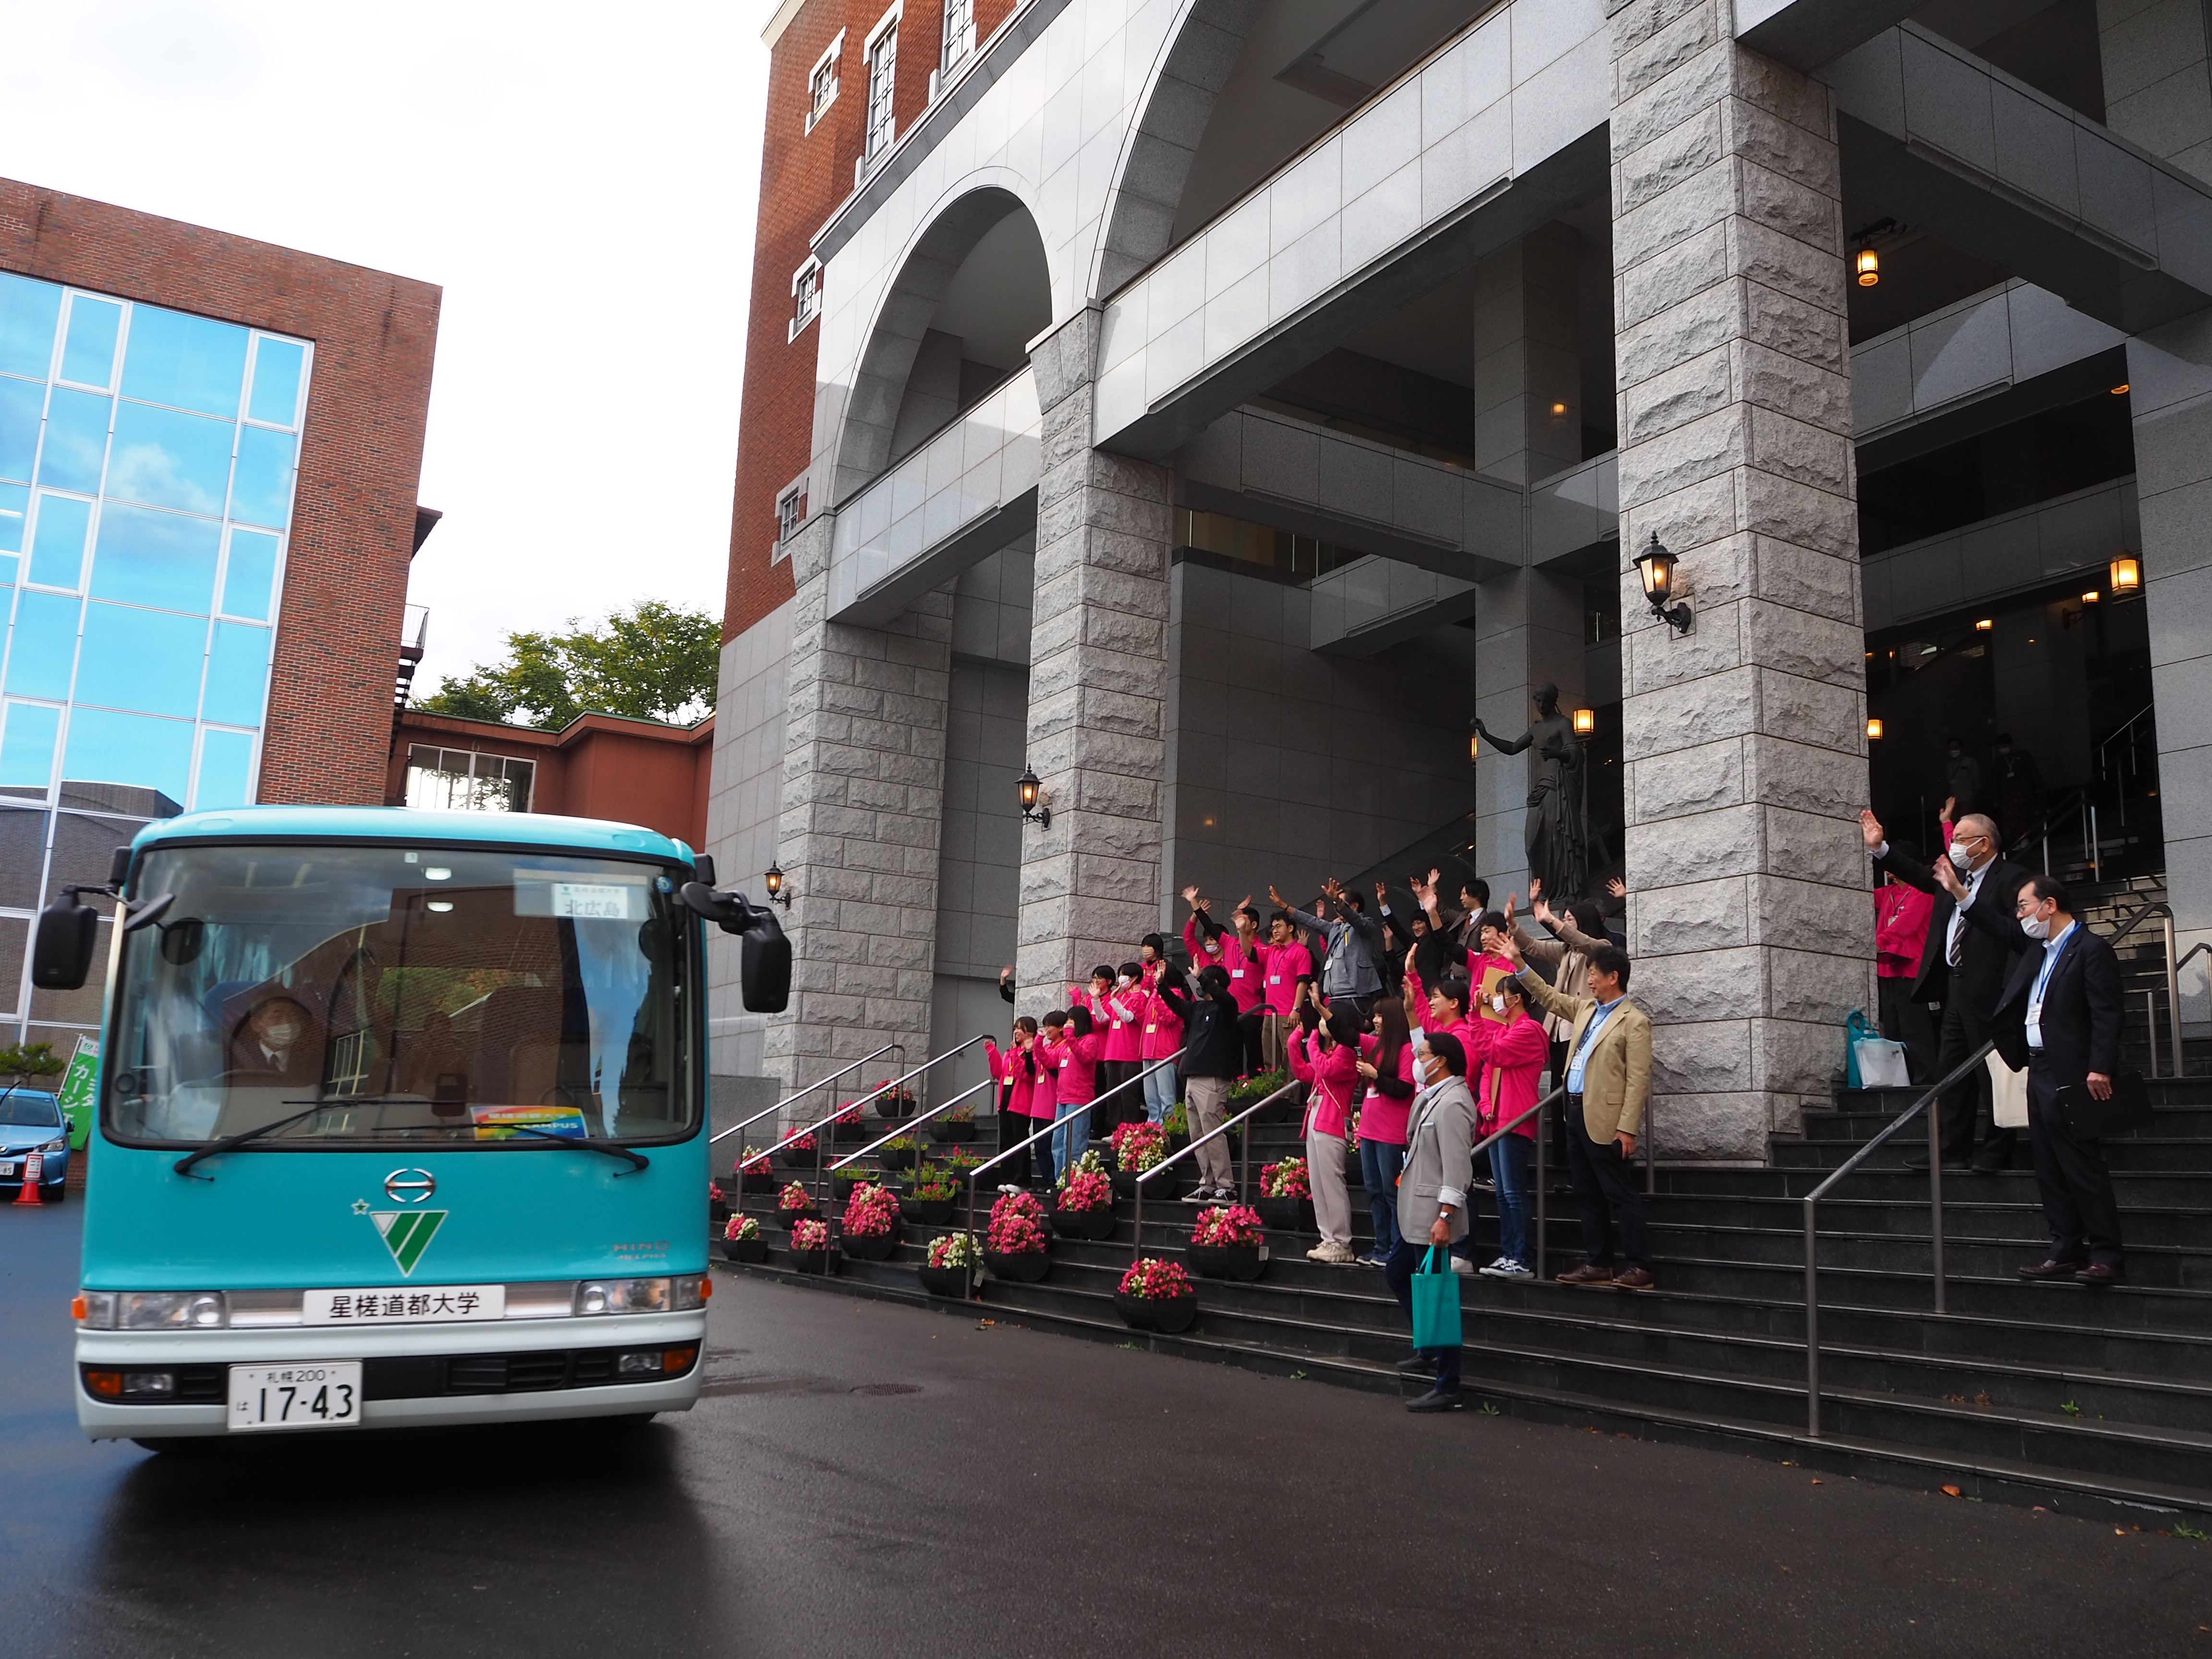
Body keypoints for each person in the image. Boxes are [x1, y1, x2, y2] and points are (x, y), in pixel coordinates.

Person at [1965, 876, 2128, 1284]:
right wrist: (1958, 892)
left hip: (2075, 1070)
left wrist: (2101, 1066)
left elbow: (2107, 1012)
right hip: (2038, 1067)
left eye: (2024, 906)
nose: (2020, 915)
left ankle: (2106, 1253)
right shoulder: (2038, 952)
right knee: (2048, 1164)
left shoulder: (2091, 949)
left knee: (2081, 1163)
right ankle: (2065, 1248)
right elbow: (1999, 929)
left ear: (2049, 905)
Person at [1862, 807, 2031, 1171]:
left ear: (1983, 845)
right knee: (1951, 1071)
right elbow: (1919, 875)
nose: (1953, 846)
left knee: (1992, 1073)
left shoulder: (2011, 878)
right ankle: (1952, 1148)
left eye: (1959, 839)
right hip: (1955, 987)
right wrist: (1880, 848)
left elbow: (2015, 934)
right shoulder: (1955, 875)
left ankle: (1998, 1148)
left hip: (1990, 991)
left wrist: (1962, 894)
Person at [1501, 933, 1656, 1290]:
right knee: (1586, 1191)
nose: (1590, 980)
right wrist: (1519, 963)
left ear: (1613, 977)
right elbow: (1549, 996)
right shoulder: (1586, 1009)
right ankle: (1599, 1263)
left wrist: (1628, 1129)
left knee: (1620, 1192)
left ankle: (1640, 1266)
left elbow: (1638, 1080)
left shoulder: (1634, 1021)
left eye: (1594, 973)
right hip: (1574, 1113)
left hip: (1606, 1120)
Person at [1384, 1030, 1478, 1413]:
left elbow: (1458, 1168)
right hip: (1416, 1214)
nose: (1417, 1061)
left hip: (1434, 1217)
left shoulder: (1454, 1103)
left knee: (1440, 1298)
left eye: (1422, 1055)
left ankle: (1449, 1383)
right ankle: (1429, 1347)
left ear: (1441, 1061)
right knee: (1397, 1272)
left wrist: (1446, 1217)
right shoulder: (1433, 1096)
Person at [1467, 972, 1547, 1280]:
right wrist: (1486, 1105)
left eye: (1501, 994)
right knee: (1503, 1193)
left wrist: (1475, 1017)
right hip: (1498, 1119)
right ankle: (1510, 1253)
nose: (1495, 1000)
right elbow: (1488, 1071)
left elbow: (1493, 1054)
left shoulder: (1529, 1030)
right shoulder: (1505, 1030)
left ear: (1517, 999)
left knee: (1513, 1192)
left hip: (1516, 1117)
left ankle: (1522, 1257)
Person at [1156, 964, 1241, 1202]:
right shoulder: (1197, 1008)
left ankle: (1226, 1186)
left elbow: (1225, 998)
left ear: (1214, 983)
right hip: (1192, 1078)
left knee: (1212, 1133)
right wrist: (1161, 985)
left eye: (1203, 981)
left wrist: (1202, 978)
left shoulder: (1226, 1008)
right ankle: (1208, 1183)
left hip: (1212, 1078)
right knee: (1197, 1135)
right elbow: (1176, 1005)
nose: (1198, 986)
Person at [1288, 1000, 1361, 1265]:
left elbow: (1325, 1069)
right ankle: (1328, 1237)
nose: (1321, 1023)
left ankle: (1341, 1240)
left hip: (1332, 1123)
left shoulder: (1348, 1052)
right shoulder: (1330, 1051)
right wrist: (1293, 1043)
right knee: (1318, 1185)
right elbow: (1304, 1072)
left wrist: (1312, 1041)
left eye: (1326, 1019)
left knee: (1332, 1183)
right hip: (1316, 1120)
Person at [1276, 878, 1386, 1019]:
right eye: (1336, 904)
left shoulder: (1366, 924)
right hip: (1334, 997)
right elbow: (1312, 921)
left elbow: (1356, 920)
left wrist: (1338, 902)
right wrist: (1285, 907)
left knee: (1351, 1033)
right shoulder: (1336, 928)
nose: (1337, 908)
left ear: (1354, 906)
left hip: (1355, 997)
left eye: (1341, 903)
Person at [1188, 892, 1268, 1076]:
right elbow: (1208, 924)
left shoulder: (1263, 949)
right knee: (1232, 1059)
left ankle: (1257, 1091)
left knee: (1255, 1061)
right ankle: (1233, 1091)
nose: (1239, 922)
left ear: (1254, 925)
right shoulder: (1229, 942)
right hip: (1229, 1011)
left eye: (1244, 920)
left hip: (1253, 1012)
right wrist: (1194, 902)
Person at [1875, 866, 1937, 1082]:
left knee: (1915, 1030)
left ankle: (1924, 1081)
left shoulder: (1922, 891)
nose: (1887, 867)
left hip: (1912, 969)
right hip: (1887, 968)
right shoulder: (1889, 892)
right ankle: (1899, 1080)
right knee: (1892, 1030)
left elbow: (1907, 923)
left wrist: (1879, 942)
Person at [1039, 1007, 1101, 1184]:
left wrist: (1071, 1038)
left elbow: (1085, 1058)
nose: (1068, 1024)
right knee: (1058, 1144)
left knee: (1074, 1145)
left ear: (1080, 1022)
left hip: (1079, 1098)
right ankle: (1061, 1181)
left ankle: (1074, 1183)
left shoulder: (1090, 1040)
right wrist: (1038, 1045)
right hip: (1063, 1099)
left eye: (1071, 1021)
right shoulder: (1066, 1044)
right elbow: (1051, 1062)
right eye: (1067, 1021)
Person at [1256, 910, 1313, 1072]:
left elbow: (1303, 983)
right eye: (1273, 927)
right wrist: (1241, 929)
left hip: (1288, 1014)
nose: (1275, 931)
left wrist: (1296, 1009)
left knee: (1290, 1058)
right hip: (1269, 1013)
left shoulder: (1301, 952)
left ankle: (1291, 1089)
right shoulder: (1272, 951)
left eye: (1279, 926)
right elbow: (1249, 952)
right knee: (1270, 1057)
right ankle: (1272, 1087)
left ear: (1290, 928)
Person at [1134, 948, 1185, 1124]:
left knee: (1166, 1096)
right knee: (1151, 1097)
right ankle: (1153, 1127)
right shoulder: (1155, 995)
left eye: (1159, 972)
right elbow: (1144, 1020)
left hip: (1165, 1052)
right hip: (1149, 1051)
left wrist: (1156, 996)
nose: (1155, 976)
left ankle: (1168, 1128)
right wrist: (1136, 1001)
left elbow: (1169, 1019)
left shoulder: (1176, 995)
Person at [228, 994, 323, 1085]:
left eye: (293, 1016)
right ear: (256, 1025)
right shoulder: (236, 1060)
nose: (287, 1024)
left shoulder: (314, 1058)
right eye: (276, 1018)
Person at [1944, 736, 1983, 818]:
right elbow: (1949, 783)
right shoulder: (1949, 766)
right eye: (1951, 748)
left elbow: (1977, 780)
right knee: (1955, 821)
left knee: (1967, 820)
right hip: (1954, 800)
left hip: (1968, 798)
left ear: (1961, 748)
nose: (1953, 750)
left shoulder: (1970, 762)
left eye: (1956, 748)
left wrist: (1977, 796)